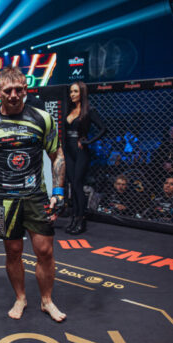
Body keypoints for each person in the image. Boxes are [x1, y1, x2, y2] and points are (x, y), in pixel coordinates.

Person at [0, 66, 67, 323]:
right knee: (12, 252)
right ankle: (21, 298)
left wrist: (58, 191)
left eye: (18, 90)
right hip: (4, 200)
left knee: (45, 251)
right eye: (8, 90)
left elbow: (57, 155)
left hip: (37, 197)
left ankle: (47, 301)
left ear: (25, 90)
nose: (13, 95)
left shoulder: (43, 119)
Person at [64, 81, 106, 234]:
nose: (72, 94)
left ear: (82, 92)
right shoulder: (70, 109)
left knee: (77, 185)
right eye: (71, 91)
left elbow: (103, 128)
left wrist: (88, 141)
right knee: (72, 186)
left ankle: (81, 220)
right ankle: (74, 218)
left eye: (75, 91)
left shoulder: (89, 110)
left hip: (81, 151)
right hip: (68, 150)